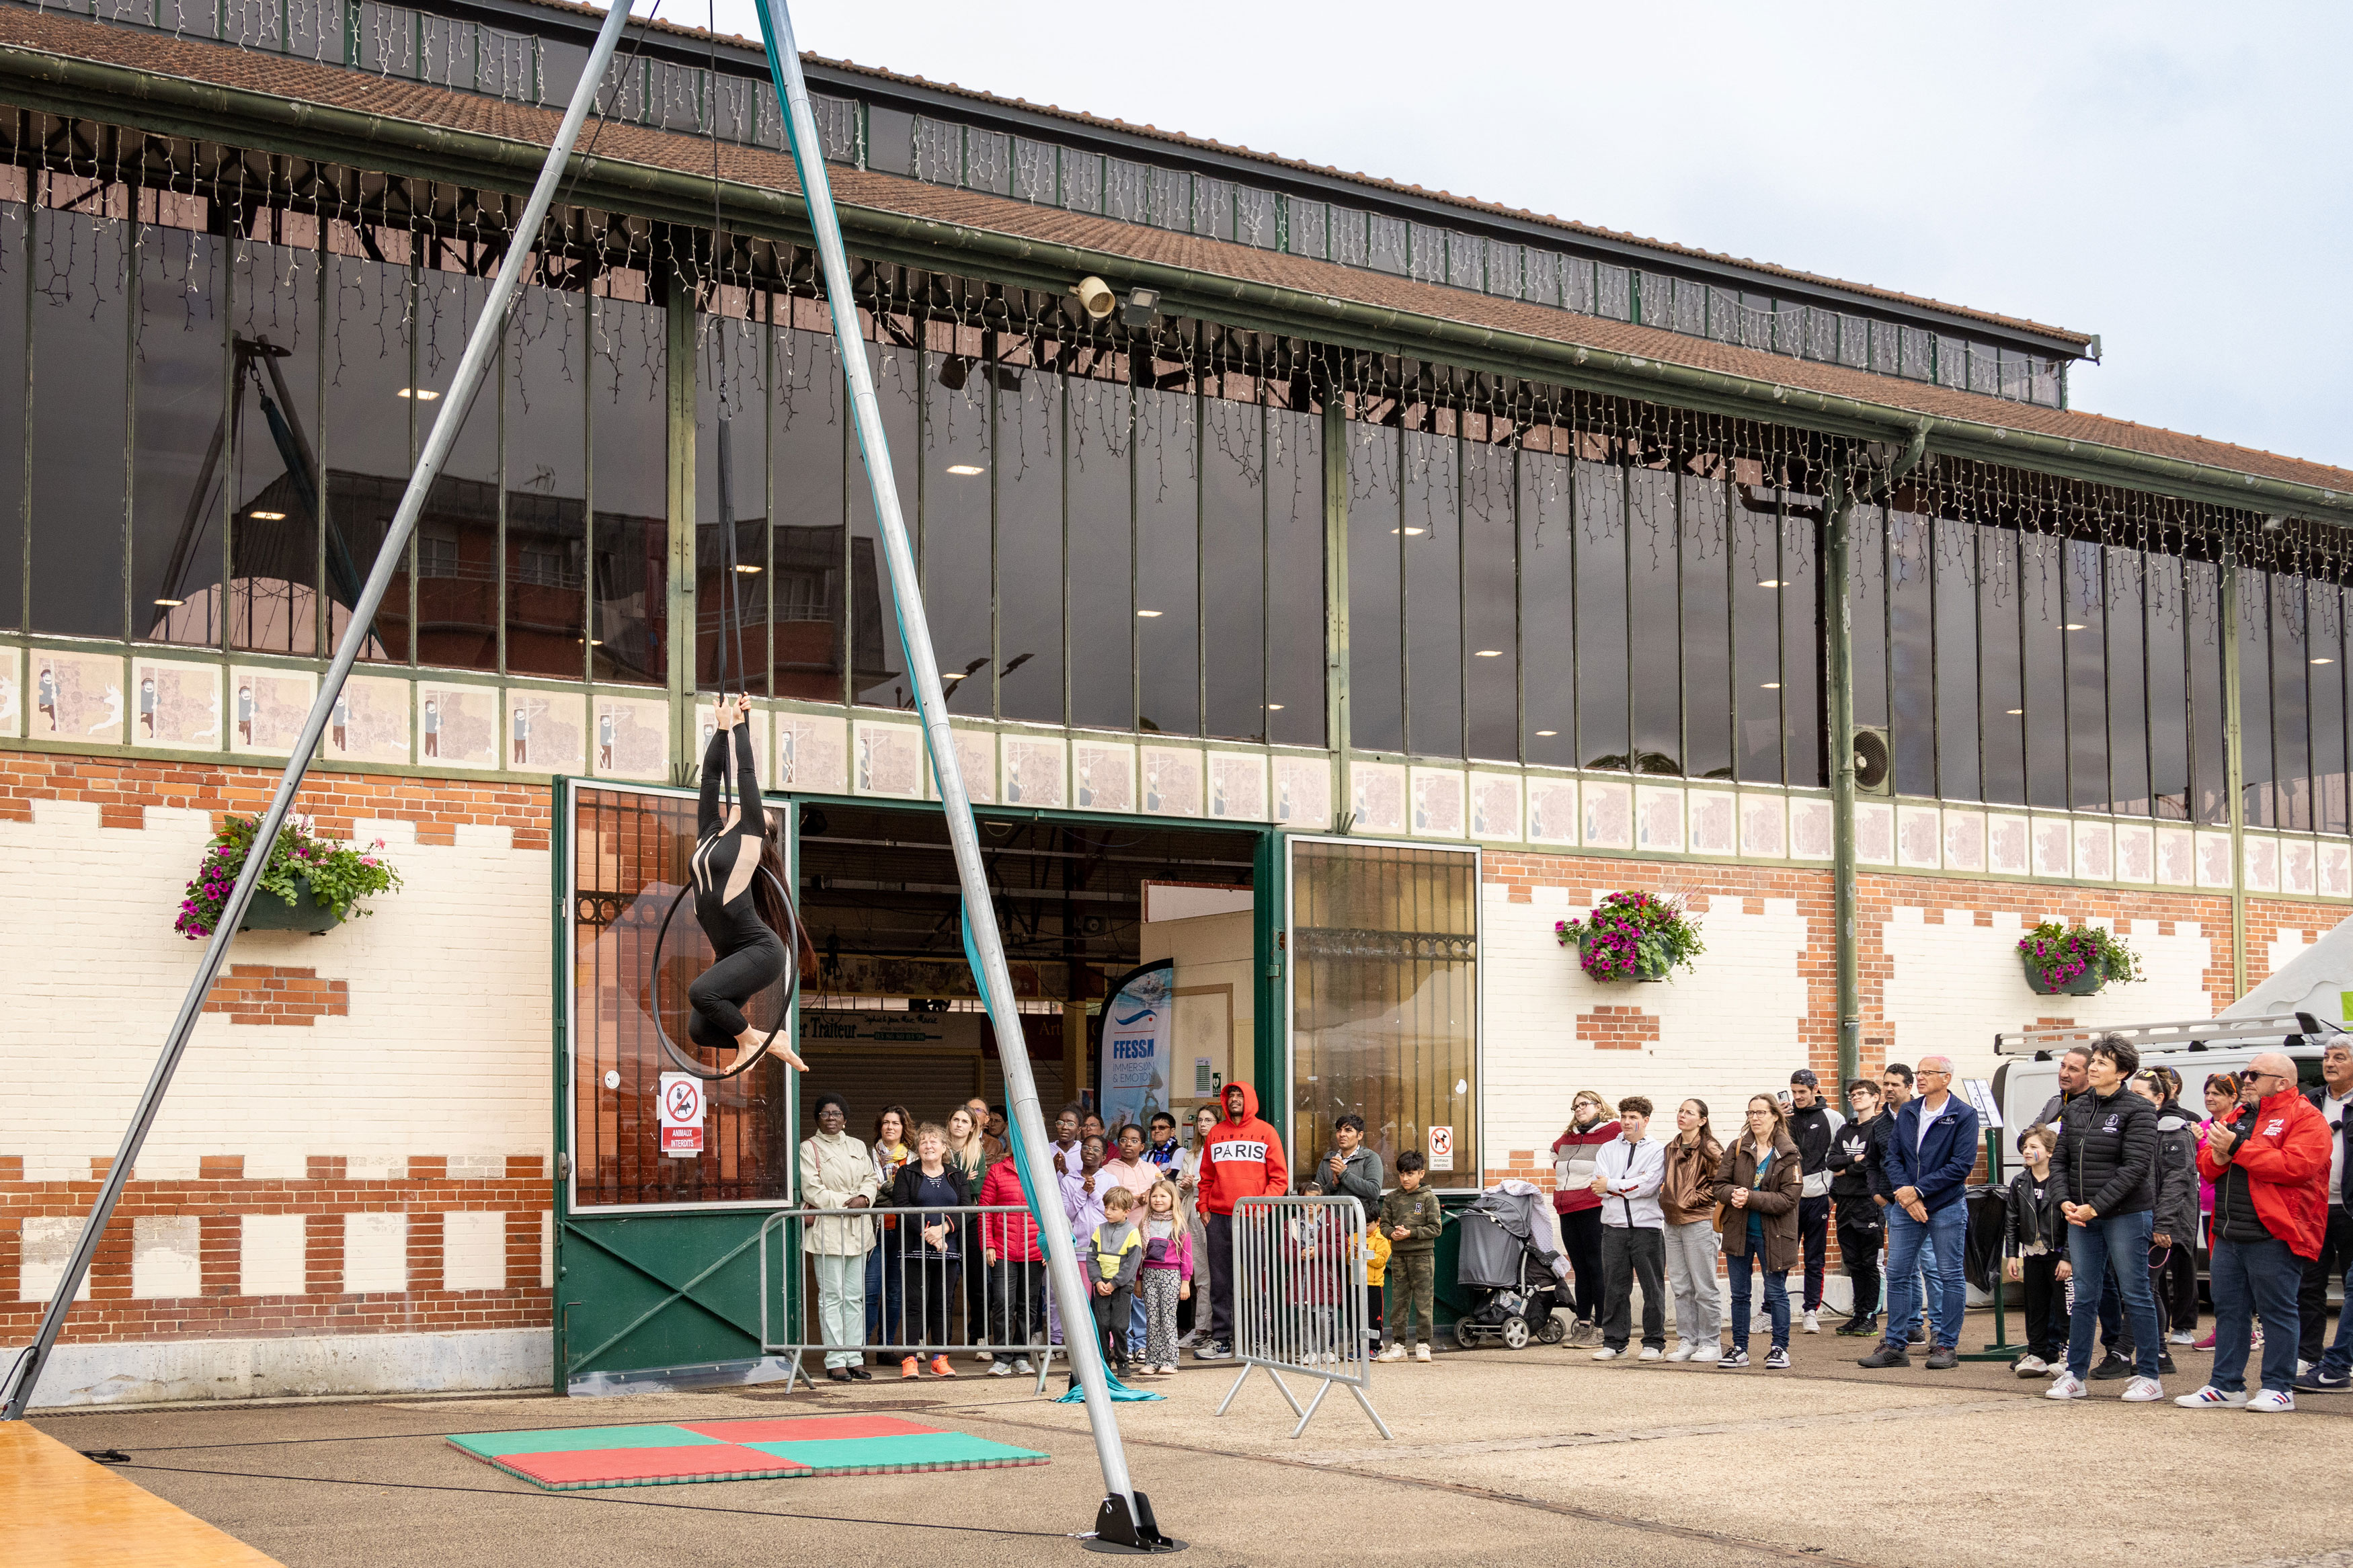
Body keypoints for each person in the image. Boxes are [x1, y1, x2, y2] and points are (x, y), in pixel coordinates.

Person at [2178, 1050, 2330, 1411]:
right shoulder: (2239, 1114)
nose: (2245, 1080)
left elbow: (2297, 1166)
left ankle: (2279, 1387)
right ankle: (2226, 1385)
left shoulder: (2306, 1116)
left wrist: (2237, 1149)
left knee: (2278, 1311)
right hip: (2229, 1231)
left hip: (2274, 1232)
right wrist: (2217, 1156)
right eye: (2246, 1073)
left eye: (2254, 1075)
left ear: (2282, 1082)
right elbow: (2205, 1162)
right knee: (2229, 1310)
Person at [686, 696, 809, 1073]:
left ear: (763, 829)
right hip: (737, 954)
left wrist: (740, 726)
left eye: (764, 814)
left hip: (760, 951)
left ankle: (751, 1042)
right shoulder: (709, 833)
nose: (759, 808)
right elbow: (710, 778)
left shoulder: (751, 836)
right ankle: (768, 1041)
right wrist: (720, 728)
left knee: (700, 993)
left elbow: (746, 775)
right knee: (701, 1029)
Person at [2045, 1037, 2164, 1403]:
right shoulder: (2077, 1108)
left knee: (2136, 1292)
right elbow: (2059, 1159)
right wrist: (2064, 1200)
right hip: (2080, 1216)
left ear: (2122, 1072)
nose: (2093, 1067)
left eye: (2103, 1063)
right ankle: (2075, 1375)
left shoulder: (2139, 1110)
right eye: (2093, 1061)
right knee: (2084, 1295)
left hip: (2124, 1215)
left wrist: (2096, 1206)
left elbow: (2135, 1168)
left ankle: (2148, 1375)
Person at [1860, 1054, 1979, 1373]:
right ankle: (1895, 1345)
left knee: (1949, 1274)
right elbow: (1893, 1157)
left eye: (1928, 1072)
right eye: (1919, 1072)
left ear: (1946, 1078)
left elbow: (1961, 1165)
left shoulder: (1963, 1115)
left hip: (1946, 1206)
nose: (1921, 1077)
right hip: (1904, 1205)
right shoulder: (1910, 1111)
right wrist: (1905, 1193)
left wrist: (1920, 1192)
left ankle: (1945, 1345)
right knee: (1898, 1273)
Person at [1193, 1080, 1287, 1362]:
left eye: (1239, 1095)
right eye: (1230, 1095)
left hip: (1252, 1218)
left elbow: (1279, 1178)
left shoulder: (1266, 1132)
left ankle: (1260, 1341)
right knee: (1220, 1282)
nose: (1235, 1099)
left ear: (1250, 1099)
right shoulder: (1216, 1134)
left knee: (1259, 1281)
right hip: (1219, 1217)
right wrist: (1203, 1207)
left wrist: (1262, 1208)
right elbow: (1206, 1176)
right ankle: (1221, 1340)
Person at [1713, 1095, 1801, 1369]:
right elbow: (1719, 1186)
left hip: (1774, 1234)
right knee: (1740, 1293)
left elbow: (1789, 1198)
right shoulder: (1738, 1147)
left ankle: (1779, 1349)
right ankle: (1739, 1348)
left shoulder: (1789, 1153)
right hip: (1739, 1231)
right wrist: (1733, 1194)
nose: (1755, 1118)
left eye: (1761, 1112)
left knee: (1776, 1293)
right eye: (1751, 1112)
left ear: (1775, 1116)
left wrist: (1750, 1197)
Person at [800, 1091, 879, 1382]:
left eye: (836, 1114)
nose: (831, 1119)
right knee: (832, 1298)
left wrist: (865, 1198)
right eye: (825, 1114)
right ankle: (835, 1360)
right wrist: (850, 1202)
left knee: (855, 1298)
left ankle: (855, 1357)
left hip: (859, 1231)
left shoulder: (858, 1145)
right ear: (817, 1119)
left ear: (845, 1119)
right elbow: (812, 1190)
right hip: (829, 1231)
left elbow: (871, 1179)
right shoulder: (809, 1148)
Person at [1589, 1096, 1669, 1362]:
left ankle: (1654, 1343)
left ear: (1645, 1121)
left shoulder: (1657, 1150)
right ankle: (1614, 1342)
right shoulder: (1607, 1149)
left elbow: (1648, 1186)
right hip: (1613, 1228)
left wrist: (1613, 1185)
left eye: (1633, 1118)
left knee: (1652, 1288)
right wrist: (1623, 1186)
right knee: (1614, 1287)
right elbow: (1597, 1183)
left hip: (1646, 1228)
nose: (1626, 1122)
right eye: (1624, 1116)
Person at [888, 1122, 969, 1378]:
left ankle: (939, 1358)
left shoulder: (956, 1175)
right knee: (914, 1303)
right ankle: (910, 1358)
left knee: (942, 1304)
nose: (928, 1146)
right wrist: (931, 1235)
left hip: (949, 1249)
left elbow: (967, 1210)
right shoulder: (906, 1173)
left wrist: (944, 1229)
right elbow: (902, 1206)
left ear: (944, 1147)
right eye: (923, 1142)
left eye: (934, 1141)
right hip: (915, 1249)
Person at [2130, 1068, 2196, 1374]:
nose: (2133, 1099)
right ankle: (2152, 1351)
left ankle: (2158, 1353)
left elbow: (2177, 1180)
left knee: (2148, 1287)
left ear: (2160, 1098)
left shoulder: (2173, 1129)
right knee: (2145, 1288)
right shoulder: (2138, 1127)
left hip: (2161, 1225)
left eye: (2140, 1094)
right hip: (2137, 1218)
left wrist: (2163, 1225)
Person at [2297, 1038, 2353, 1393]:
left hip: (2350, 1210)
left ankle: (2341, 1362)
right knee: (2309, 1284)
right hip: (2315, 1208)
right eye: (2327, 1057)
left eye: (2340, 1057)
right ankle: (2307, 1356)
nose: (2330, 1063)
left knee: (2351, 1287)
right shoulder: (2311, 1100)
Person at [1868, 1062, 1933, 1348]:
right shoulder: (1879, 1123)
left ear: (1910, 1087)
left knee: (1929, 1264)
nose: (1889, 1089)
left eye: (1895, 1084)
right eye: (1886, 1084)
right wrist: (1877, 1194)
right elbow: (1873, 1162)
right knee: (1902, 1268)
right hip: (1893, 1204)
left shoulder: (1924, 1116)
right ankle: (1910, 1326)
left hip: (1925, 1203)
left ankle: (1935, 1329)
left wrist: (1918, 1194)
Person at [1550, 1089, 1620, 1348]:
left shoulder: (1611, 1131)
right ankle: (1583, 1325)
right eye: (1575, 1107)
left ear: (1599, 1106)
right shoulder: (1570, 1136)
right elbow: (1555, 1154)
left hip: (1593, 1207)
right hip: (1567, 1208)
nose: (1579, 1110)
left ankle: (1601, 1327)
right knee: (1579, 1268)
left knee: (1596, 1266)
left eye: (1584, 1105)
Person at [2003, 1124, 2071, 1377]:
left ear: (2051, 1152)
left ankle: (2068, 1353)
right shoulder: (2020, 1182)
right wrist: (2013, 1254)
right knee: (2035, 1307)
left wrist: (2068, 1258)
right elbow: (2012, 1219)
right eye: (2025, 1147)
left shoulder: (2063, 1181)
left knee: (2065, 1307)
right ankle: (2037, 1353)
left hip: (2059, 1255)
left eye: (2034, 1147)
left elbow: (2072, 1223)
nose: (2027, 1151)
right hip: (2033, 1254)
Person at [1661, 1098, 1724, 1363]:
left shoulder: (1710, 1147)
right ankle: (1688, 1339)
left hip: (1699, 1221)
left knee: (1704, 1286)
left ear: (1702, 1120)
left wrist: (1693, 1197)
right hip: (1672, 1222)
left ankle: (1711, 1342)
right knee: (1680, 1286)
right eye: (1680, 1110)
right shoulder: (1671, 1147)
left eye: (1689, 1112)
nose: (1682, 1115)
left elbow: (1722, 1182)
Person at [1785, 1069, 1845, 1335]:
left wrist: (1833, 1195)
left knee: (1814, 1258)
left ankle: (1811, 1311)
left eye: (1802, 1092)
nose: (1797, 1097)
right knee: (1781, 1257)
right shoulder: (1783, 1117)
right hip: (1787, 1200)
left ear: (1815, 1090)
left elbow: (1841, 1157)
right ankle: (1768, 1310)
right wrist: (1777, 1115)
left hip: (1818, 1198)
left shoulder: (1833, 1118)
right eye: (1794, 1091)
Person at [1825, 1079, 1884, 1337]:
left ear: (1875, 1098)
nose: (1856, 1098)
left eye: (1862, 1094)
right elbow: (1831, 1161)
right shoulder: (1846, 1130)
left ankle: (1871, 1315)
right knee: (1853, 1263)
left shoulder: (1880, 1128)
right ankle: (1857, 1314)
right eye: (1853, 1095)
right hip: (1845, 1204)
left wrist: (1846, 1169)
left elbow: (1874, 1162)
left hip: (1869, 1203)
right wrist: (1854, 1160)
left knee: (1869, 1262)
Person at [978, 1145, 1042, 1378]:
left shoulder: (1042, 1169)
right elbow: (985, 1210)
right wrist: (988, 1244)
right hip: (1003, 1249)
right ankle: (1002, 1358)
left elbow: (1052, 1210)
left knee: (1029, 1305)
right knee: (1003, 1302)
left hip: (1035, 1250)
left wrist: (1048, 1248)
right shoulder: (997, 1170)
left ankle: (1022, 1357)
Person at [1378, 1150, 1444, 1362]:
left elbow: (1436, 1228)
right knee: (1399, 1302)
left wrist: (1411, 1233)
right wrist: (1393, 1234)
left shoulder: (1429, 1198)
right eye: (1402, 1174)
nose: (1405, 1179)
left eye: (1410, 1174)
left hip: (1423, 1257)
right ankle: (1398, 1345)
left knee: (1424, 1301)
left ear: (1421, 1174)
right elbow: (1384, 1226)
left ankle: (1424, 1343)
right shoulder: (1391, 1198)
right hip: (1398, 1257)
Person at [2191, 1071, 2239, 1352]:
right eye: (2208, 1093)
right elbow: (2199, 1168)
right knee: (2218, 1275)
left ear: (2233, 1097)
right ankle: (2224, 1329)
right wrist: (2196, 1140)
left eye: (2217, 1094)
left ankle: (2250, 1329)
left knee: (2237, 1274)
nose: (2210, 1098)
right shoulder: (2203, 1127)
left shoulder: (2240, 1125)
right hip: (2208, 1207)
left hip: (2234, 1208)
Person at [945, 1106, 992, 1358]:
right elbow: (945, 1186)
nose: (960, 1124)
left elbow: (977, 1187)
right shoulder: (940, 1149)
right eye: (956, 1120)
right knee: (944, 1283)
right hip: (943, 1222)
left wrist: (957, 1179)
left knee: (977, 1282)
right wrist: (963, 1178)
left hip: (971, 1220)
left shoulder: (978, 1152)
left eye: (965, 1121)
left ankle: (981, 1337)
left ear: (973, 1127)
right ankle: (940, 1341)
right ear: (949, 1123)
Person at [866, 1106, 912, 1362]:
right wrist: (895, 1194)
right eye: (885, 1122)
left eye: (896, 1123)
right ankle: (860, 1348)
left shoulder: (913, 1159)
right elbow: (867, 1193)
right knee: (870, 1291)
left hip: (902, 1233)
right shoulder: (867, 1156)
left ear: (904, 1128)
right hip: (875, 1233)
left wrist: (883, 1188)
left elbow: (909, 1196)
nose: (890, 1127)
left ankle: (885, 1349)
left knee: (894, 1293)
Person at [1135, 1179, 1193, 1376]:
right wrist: (1138, 1279)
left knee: (1167, 1318)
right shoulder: (1145, 1223)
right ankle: (1153, 1360)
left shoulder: (1179, 1225)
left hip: (1171, 1274)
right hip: (1149, 1274)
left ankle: (1170, 1360)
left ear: (1172, 1199)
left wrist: (1185, 1281)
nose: (1158, 1200)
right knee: (1152, 1318)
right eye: (1154, 1196)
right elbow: (1139, 1254)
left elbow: (1186, 1256)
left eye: (1163, 1196)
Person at [1085, 1187, 1146, 1376]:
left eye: (1113, 1209)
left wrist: (1115, 1283)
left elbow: (1132, 1264)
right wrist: (1097, 1281)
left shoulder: (1132, 1232)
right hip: (1102, 1285)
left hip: (1121, 1287)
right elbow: (1092, 1257)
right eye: (1107, 1208)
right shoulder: (1100, 1230)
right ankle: (1104, 1362)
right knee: (1102, 1325)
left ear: (1126, 1211)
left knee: (1119, 1326)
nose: (1108, 1212)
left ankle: (1122, 1361)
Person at [1304, 1113, 1385, 1213]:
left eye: (1348, 1130)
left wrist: (1344, 1174)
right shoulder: (1328, 1160)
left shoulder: (1370, 1158)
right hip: (1331, 1225)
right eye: (1339, 1130)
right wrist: (1333, 1184)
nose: (1342, 1134)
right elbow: (1316, 1196)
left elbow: (1374, 1192)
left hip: (1359, 1224)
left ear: (1360, 1135)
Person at [1143, 1111, 1186, 1183]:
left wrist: (1153, 1179)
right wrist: (1164, 1176)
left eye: (1162, 1128)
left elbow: (1172, 1179)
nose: (1156, 1131)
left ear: (1172, 1132)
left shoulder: (1180, 1152)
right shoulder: (1149, 1154)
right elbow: (1141, 1179)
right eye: (1153, 1128)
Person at [1049, 1104, 1084, 1175]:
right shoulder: (1047, 1150)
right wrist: (1053, 1170)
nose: (1065, 1127)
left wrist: (1065, 1171)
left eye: (1071, 1124)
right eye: (1060, 1123)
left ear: (1079, 1130)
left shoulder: (1084, 1150)